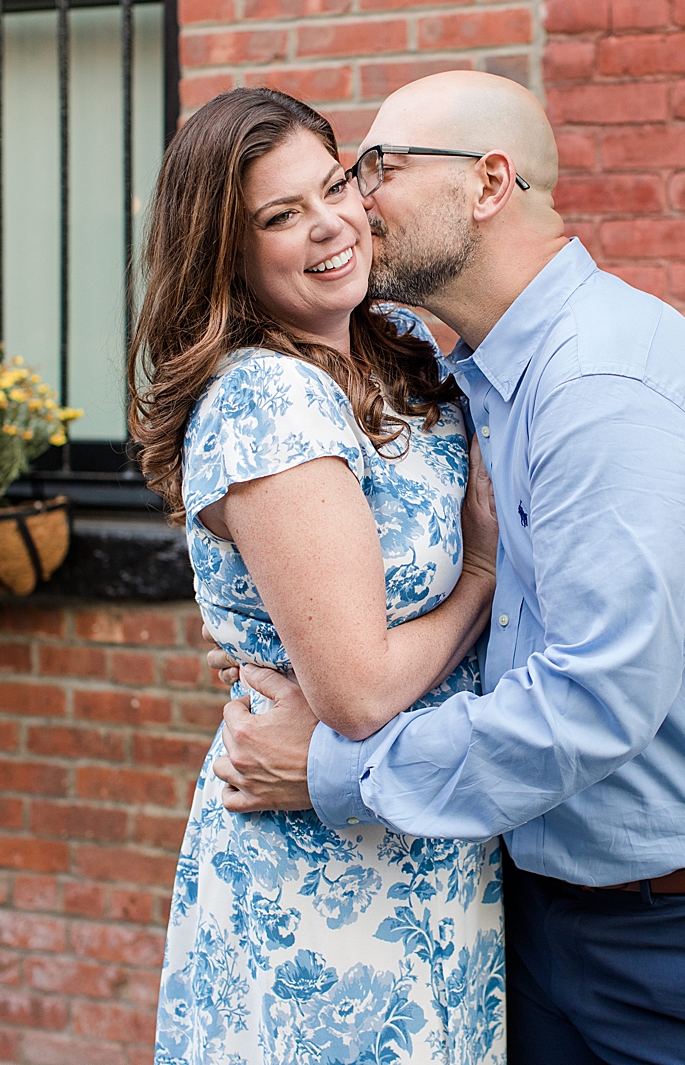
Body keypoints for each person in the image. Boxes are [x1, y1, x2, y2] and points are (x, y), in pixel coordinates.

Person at [207, 71, 685, 1062]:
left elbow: (590, 703)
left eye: (379, 168)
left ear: (489, 183)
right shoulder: (481, 376)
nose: (356, 202)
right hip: (546, 921)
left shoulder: (599, 387)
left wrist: (335, 766)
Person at [130, 88, 506, 1063]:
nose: (329, 223)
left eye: (334, 185)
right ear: (231, 253)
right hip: (325, 890)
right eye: (280, 216)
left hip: (428, 851)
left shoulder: (405, 348)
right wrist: (477, 577)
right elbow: (359, 688)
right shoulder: (266, 401)